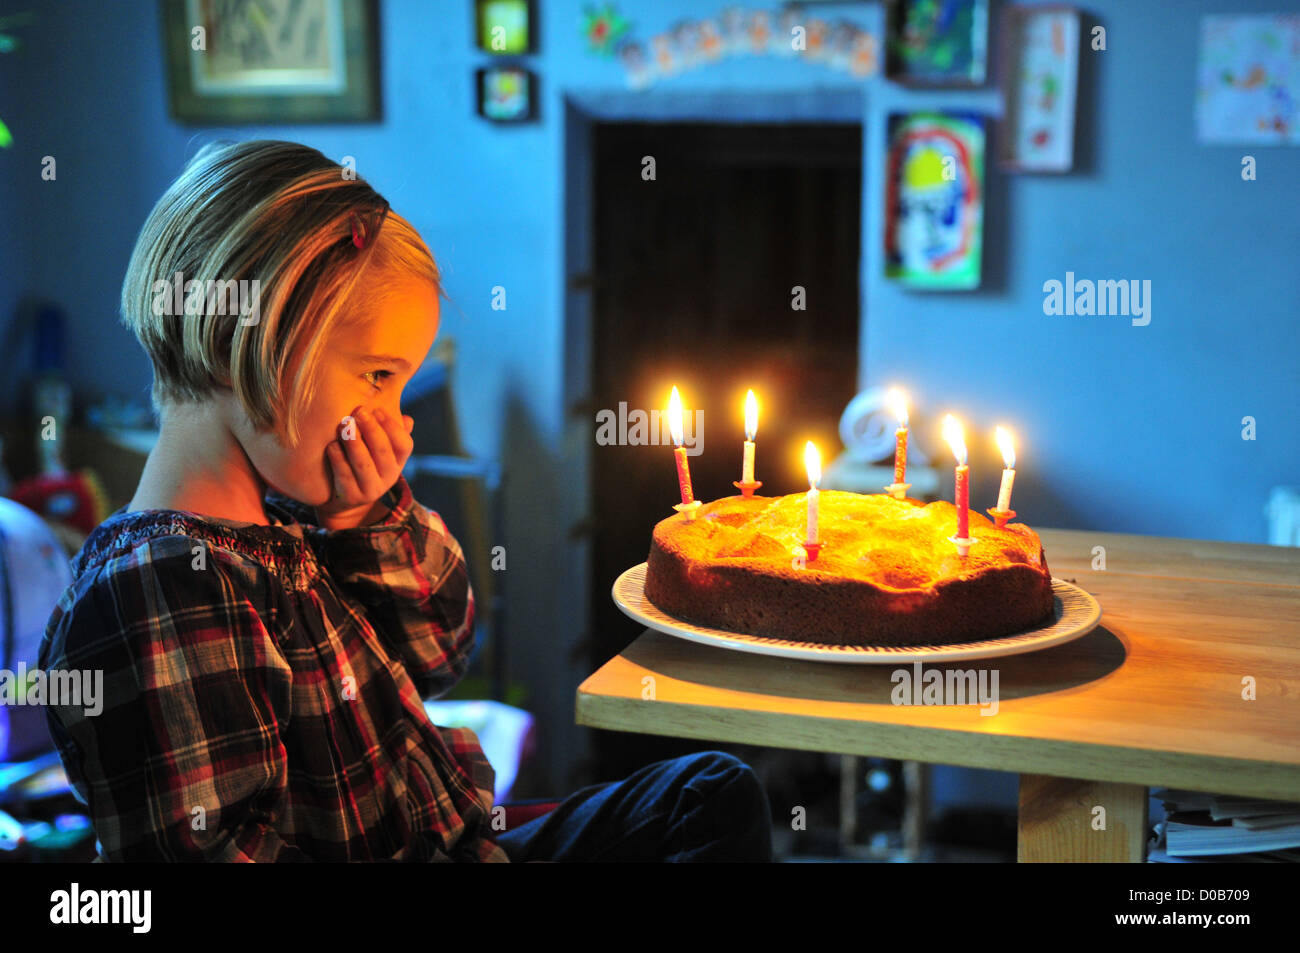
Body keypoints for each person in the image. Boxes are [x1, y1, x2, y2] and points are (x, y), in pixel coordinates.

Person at [38, 139, 773, 863]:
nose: (396, 419)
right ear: (250, 337)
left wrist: (364, 519)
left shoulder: (298, 519)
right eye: (378, 376)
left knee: (708, 795)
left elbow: (442, 649)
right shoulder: (162, 585)